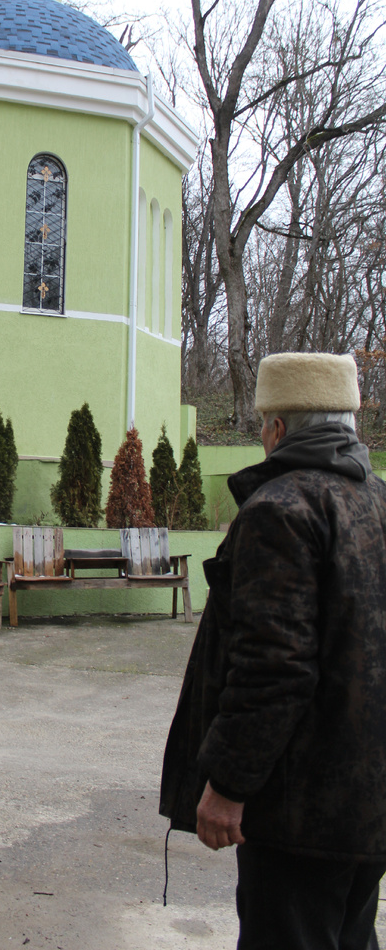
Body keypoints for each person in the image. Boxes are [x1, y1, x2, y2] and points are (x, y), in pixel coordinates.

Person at [160, 351, 386, 950]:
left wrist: (229, 784)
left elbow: (274, 668)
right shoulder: (379, 502)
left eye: (263, 426)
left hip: (300, 810)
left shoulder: (280, 511)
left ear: (277, 429)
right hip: (369, 802)